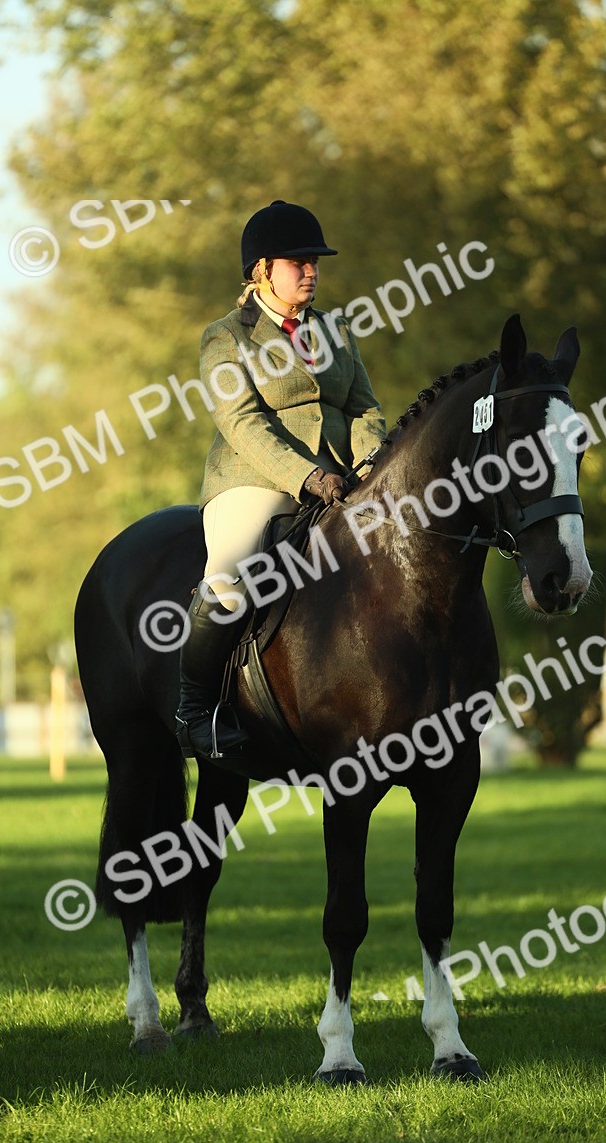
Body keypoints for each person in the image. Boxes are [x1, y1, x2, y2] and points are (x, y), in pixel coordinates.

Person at [175, 200, 386, 759]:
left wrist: (375, 469)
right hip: (256, 480)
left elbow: (364, 408)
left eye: (315, 261)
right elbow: (241, 422)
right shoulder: (226, 338)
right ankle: (194, 710)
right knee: (227, 577)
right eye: (298, 262)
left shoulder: (336, 330)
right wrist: (307, 475)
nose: (312, 270)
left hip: (342, 478)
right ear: (262, 270)